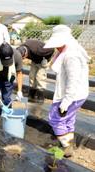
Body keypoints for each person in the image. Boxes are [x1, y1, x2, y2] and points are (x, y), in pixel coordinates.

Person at [44, 25, 89, 157]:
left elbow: (73, 80)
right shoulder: (68, 49)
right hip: (78, 94)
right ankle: (69, 141)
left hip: (73, 95)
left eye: (57, 44)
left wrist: (66, 101)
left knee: (55, 118)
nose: (56, 47)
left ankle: (67, 147)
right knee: (68, 119)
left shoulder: (71, 55)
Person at [0, 42, 23, 122]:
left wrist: (19, 91)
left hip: (9, 77)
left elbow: (19, 73)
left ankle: (7, 119)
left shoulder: (17, 56)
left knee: (6, 99)